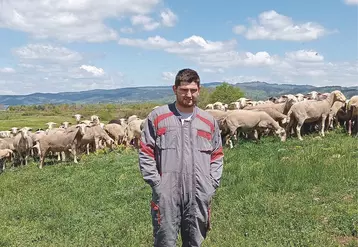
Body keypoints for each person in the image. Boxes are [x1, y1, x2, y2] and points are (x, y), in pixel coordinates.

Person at [138, 68, 224, 247]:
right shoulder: (158, 117)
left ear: (199, 90)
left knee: (194, 241)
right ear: (174, 89)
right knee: (164, 241)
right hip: (167, 194)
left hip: (198, 194)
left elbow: (217, 155)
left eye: (193, 90)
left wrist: (211, 184)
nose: (189, 95)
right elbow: (146, 152)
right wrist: (157, 184)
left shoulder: (208, 121)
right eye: (184, 90)